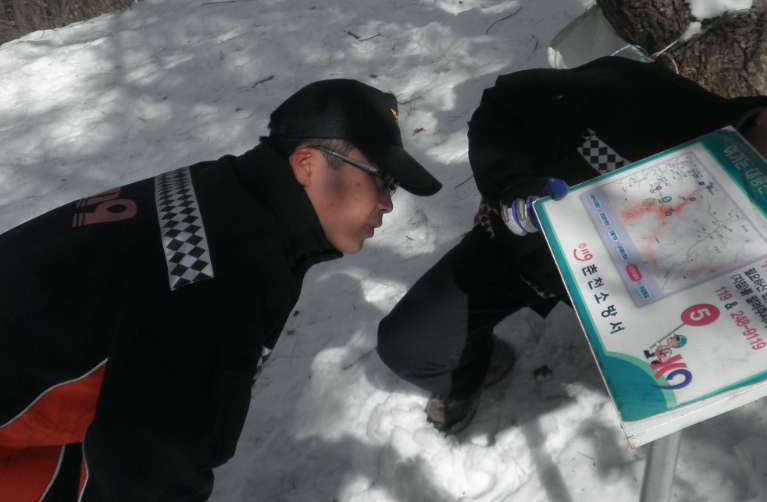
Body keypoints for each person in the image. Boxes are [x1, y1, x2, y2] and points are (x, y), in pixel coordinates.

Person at [377, 55, 767, 433]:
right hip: (523, 251)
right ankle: (480, 367)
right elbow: (507, 106)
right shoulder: (637, 97)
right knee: (409, 347)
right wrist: (512, 184)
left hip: (638, 301)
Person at [0, 80, 441, 502]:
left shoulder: (223, 192)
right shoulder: (221, 283)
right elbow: (150, 474)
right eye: (381, 179)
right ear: (307, 164)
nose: (387, 202)